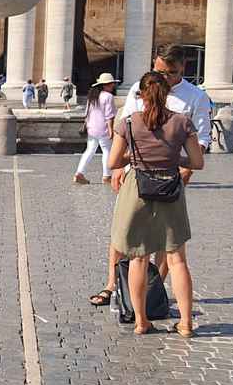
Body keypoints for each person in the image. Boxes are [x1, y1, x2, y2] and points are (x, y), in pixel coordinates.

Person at [89, 45, 210, 308]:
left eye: (170, 73)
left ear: (182, 69)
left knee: (167, 239)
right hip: (136, 172)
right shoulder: (138, 88)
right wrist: (119, 168)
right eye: (158, 71)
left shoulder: (196, 96)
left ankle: (154, 291)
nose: (162, 78)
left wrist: (184, 166)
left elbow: (201, 137)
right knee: (122, 233)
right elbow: (125, 124)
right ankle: (112, 284)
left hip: (170, 176)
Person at [105, 71, 204, 336]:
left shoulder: (127, 123)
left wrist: (134, 156)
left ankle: (141, 321)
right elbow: (197, 162)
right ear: (167, 94)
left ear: (141, 96)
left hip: (137, 191)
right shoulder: (182, 123)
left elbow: (113, 162)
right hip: (170, 190)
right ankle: (186, 322)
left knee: (138, 257)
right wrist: (173, 159)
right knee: (176, 259)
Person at [74, 72, 117, 185]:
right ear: (105, 85)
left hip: (91, 128)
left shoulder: (92, 96)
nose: (113, 85)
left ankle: (79, 173)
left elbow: (86, 113)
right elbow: (109, 116)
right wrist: (111, 131)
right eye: (111, 84)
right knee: (107, 151)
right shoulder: (108, 97)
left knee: (89, 150)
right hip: (103, 128)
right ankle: (106, 176)